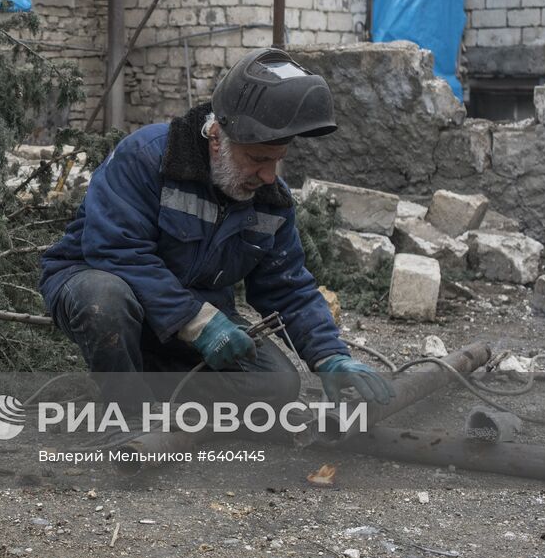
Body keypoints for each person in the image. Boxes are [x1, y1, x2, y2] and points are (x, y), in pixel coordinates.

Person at [39, 47, 393, 413]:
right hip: (97, 282)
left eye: (277, 160)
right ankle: (124, 414)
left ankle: (151, 382)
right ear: (216, 138)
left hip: (191, 312)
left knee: (276, 385)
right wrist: (198, 322)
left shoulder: (271, 200)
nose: (269, 175)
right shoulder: (147, 157)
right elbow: (115, 251)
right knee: (106, 299)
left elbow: (287, 286)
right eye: (258, 159)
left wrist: (329, 355)